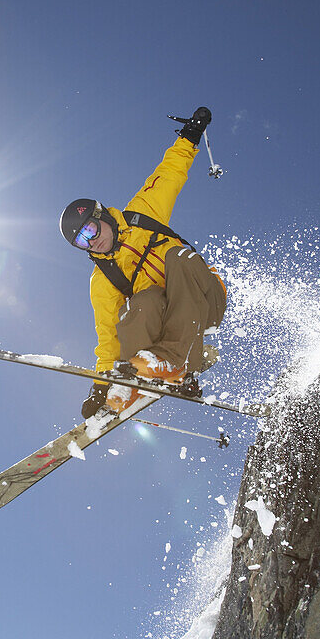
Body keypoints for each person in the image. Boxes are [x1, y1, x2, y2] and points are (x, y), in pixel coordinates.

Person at [59, 107, 226, 417]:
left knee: (177, 257)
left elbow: (170, 173)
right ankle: (136, 378)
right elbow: (107, 336)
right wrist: (100, 383)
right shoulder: (102, 278)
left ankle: (176, 362)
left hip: (206, 298)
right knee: (142, 303)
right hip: (172, 327)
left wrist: (189, 137)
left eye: (91, 229)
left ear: (102, 216)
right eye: (82, 241)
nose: (92, 241)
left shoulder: (142, 213)